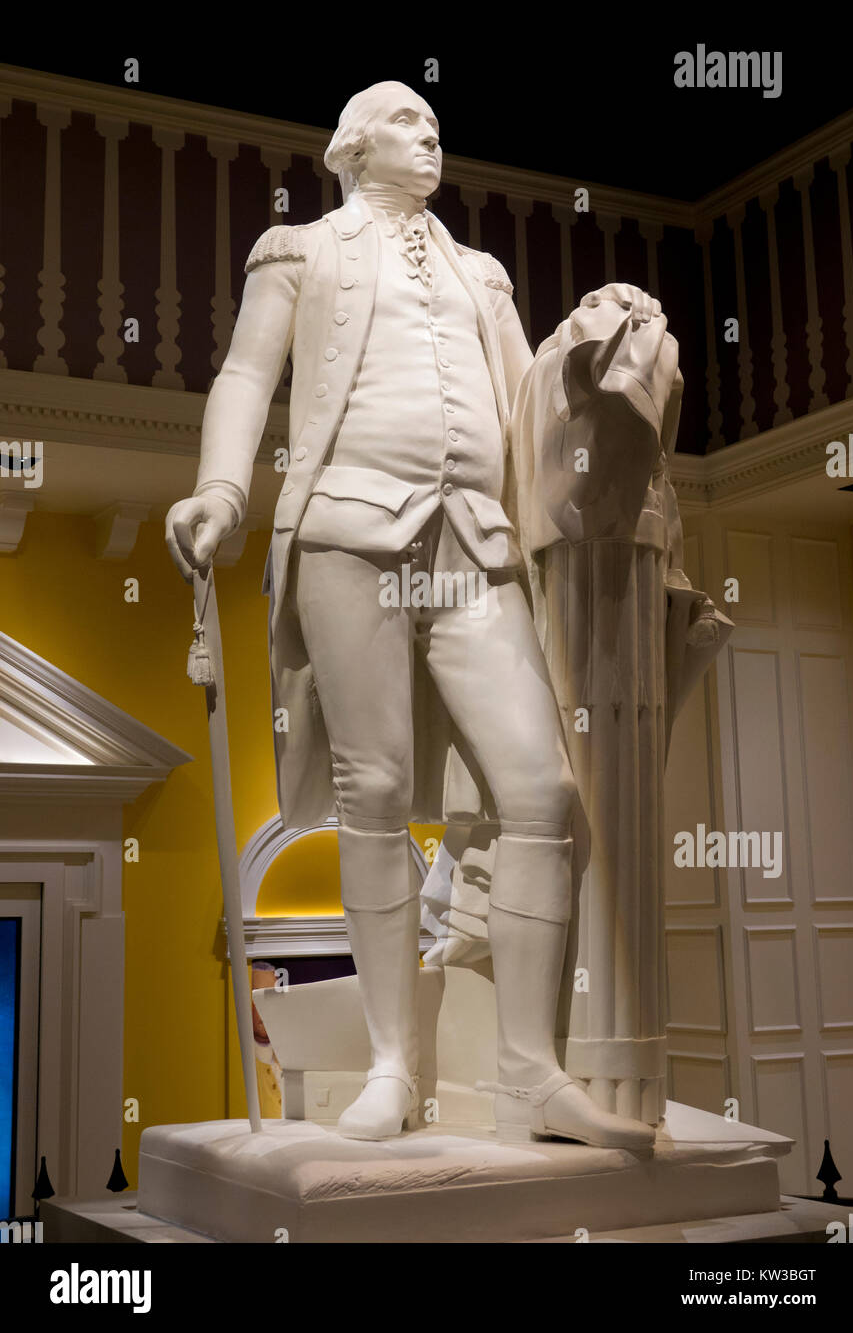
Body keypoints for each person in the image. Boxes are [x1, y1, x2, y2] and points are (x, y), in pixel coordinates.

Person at [166, 81, 656, 1149]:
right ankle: (395, 1061)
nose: (428, 132)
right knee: (375, 787)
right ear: (350, 143)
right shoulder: (299, 251)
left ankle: (529, 1072)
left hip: (471, 540)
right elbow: (246, 374)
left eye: (435, 124)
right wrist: (221, 492)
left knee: (539, 787)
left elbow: (526, 403)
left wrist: (590, 351)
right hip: (347, 527)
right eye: (403, 119)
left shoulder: (482, 271)